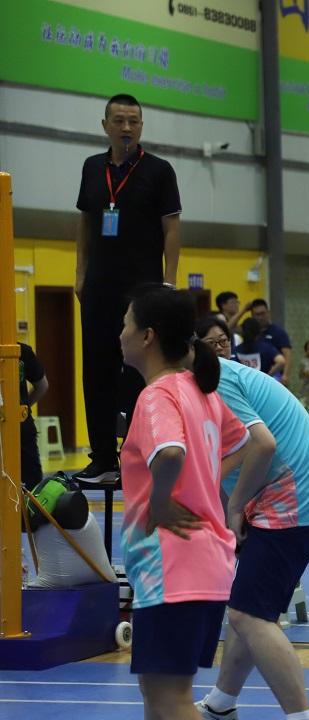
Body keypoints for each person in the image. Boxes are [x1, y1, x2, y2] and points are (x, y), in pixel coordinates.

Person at [193, 316, 309, 720]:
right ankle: (222, 703)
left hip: (290, 497)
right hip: (282, 495)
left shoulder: (215, 380)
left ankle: (301, 716)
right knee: (249, 607)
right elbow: (228, 458)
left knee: (248, 614)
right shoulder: (205, 382)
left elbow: (262, 444)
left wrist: (234, 507)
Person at [117, 286, 249, 720]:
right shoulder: (200, 390)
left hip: (173, 567)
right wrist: (204, 482)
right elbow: (243, 442)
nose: (120, 334)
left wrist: (159, 502)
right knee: (157, 695)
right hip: (204, 565)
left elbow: (171, 453)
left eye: (126, 325)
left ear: (147, 336)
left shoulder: (158, 396)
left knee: (169, 700)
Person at [74, 93, 181, 484]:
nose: (126, 128)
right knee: (96, 369)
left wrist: (169, 282)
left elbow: (171, 228)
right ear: (105, 125)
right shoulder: (91, 168)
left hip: (142, 289)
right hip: (99, 286)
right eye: (119, 120)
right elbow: (86, 222)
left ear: (141, 126)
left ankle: (138, 458)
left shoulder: (159, 170)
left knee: (139, 372)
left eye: (133, 121)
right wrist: (81, 273)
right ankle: (103, 458)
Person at [18, 341, 49, 489]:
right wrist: (23, 406)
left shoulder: (23, 351)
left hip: (21, 431)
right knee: (32, 488)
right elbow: (42, 386)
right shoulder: (22, 351)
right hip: (22, 425)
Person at [250, 299, 292, 386]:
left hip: (275, 378)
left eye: (263, 313)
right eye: (257, 314)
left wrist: (285, 375)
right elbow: (230, 328)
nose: (260, 317)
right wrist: (243, 310)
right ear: (252, 316)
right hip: (254, 379)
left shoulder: (278, 332)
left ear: (268, 313)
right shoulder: (250, 333)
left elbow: (287, 355)